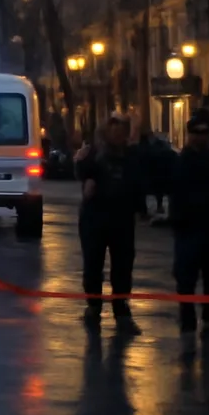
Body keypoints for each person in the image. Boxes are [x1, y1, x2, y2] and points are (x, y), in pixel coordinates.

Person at [76, 113, 149, 335]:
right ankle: (94, 305)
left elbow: (138, 183)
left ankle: (121, 309)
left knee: (123, 265)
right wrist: (82, 170)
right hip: (95, 218)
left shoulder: (131, 155)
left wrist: (141, 209)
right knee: (93, 263)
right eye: (114, 129)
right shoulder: (94, 154)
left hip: (122, 219)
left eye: (122, 130)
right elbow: (83, 172)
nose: (118, 134)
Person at [170, 109, 209, 351]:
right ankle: (188, 322)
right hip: (188, 228)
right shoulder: (181, 161)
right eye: (197, 132)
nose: (201, 136)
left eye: (205, 132)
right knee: (186, 278)